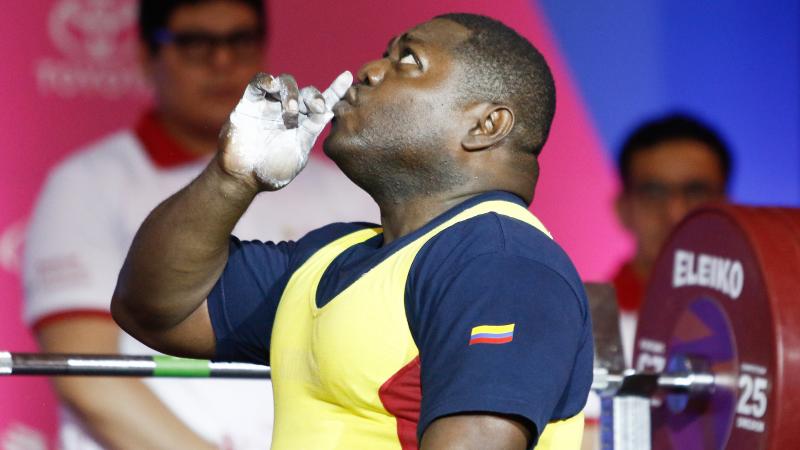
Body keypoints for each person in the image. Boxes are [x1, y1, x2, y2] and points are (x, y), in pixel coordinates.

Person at [111, 13, 593, 450]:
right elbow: (155, 310)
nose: (368, 69)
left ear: (486, 124)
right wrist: (231, 178)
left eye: (407, 59)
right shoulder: (329, 256)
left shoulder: (501, 262)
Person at [23, 0, 376, 449]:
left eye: (239, 41)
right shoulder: (87, 183)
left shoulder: (346, 191)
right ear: (146, 57)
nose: (222, 61)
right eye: (194, 44)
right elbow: (89, 377)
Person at [612, 113, 731, 366]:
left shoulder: (769, 321)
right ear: (623, 208)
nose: (675, 213)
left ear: (728, 207)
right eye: (654, 192)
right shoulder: (583, 325)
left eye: (696, 191)